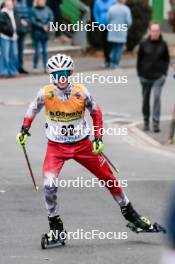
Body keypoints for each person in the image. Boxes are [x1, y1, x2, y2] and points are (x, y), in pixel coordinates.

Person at [17, 53, 153, 238]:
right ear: (51, 76)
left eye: (64, 73)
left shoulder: (81, 91)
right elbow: (32, 109)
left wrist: (98, 138)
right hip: (56, 148)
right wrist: (24, 129)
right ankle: (55, 225)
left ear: (70, 72)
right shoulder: (45, 93)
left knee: (109, 178)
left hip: (83, 145)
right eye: (56, 74)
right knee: (49, 184)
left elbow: (96, 112)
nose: (61, 78)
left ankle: (131, 214)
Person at [137, 22, 170, 132]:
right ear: (149, 32)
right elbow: (139, 60)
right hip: (145, 77)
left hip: (158, 77)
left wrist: (164, 74)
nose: (155, 33)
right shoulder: (143, 44)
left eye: (157, 31)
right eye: (153, 31)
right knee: (145, 100)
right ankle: (146, 121)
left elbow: (166, 59)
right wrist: (140, 75)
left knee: (156, 98)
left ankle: (156, 122)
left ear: (159, 32)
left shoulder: (163, 44)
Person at [107, 0, 132, 68]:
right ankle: (116, 63)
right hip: (121, 31)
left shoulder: (111, 8)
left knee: (114, 47)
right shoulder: (126, 9)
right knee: (119, 48)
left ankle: (112, 62)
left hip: (113, 30)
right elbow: (128, 21)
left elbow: (108, 19)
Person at [31, 0, 53, 72]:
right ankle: (35, 66)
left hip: (45, 33)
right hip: (37, 33)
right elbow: (33, 21)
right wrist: (42, 26)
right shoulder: (33, 10)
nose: (42, 2)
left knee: (45, 51)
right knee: (37, 51)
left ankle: (45, 67)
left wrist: (47, 25)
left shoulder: (48, 9)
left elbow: (51, 18)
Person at [93, 0, 116, 68]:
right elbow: (96, 12)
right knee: (104, 43)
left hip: (111, 25)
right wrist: (98, 22)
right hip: (102, 25)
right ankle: (107, 60)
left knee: (111, 42)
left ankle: (112, 60)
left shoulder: (113, 1)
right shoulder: (97, 2)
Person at [0, 0, 19, 78]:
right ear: (5, 6)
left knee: (14, 54)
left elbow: (16, 22)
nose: (12, 5)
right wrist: (9, 31)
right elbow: (2, 26)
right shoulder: (2, 13)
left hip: (14, 36)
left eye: (12, 4)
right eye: (10, 4)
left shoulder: (13, 12)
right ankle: (4, 71)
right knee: (5, 55)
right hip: (5, 36)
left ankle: (12, 71)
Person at [15, 0, 30, 74]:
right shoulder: (13, 2)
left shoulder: (24, 2)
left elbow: (27, 14)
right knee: (14, 51)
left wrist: (27, 22)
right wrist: (20, 21)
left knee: (21, 50)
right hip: (15, 30)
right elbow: (13, 14)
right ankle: (14, 67)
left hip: (23, 30)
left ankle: (20, 67)